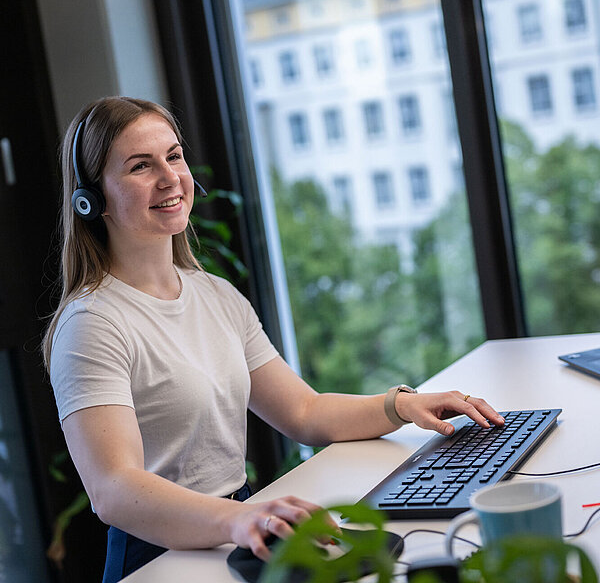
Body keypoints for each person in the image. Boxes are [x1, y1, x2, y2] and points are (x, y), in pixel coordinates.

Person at [43, 96, 504, 582]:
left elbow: (303, 412)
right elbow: (113, 489)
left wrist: (402, 406)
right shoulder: (92, 323)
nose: (169, 178)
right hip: (158, 555)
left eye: (174, 156)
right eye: (141, 166)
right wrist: (236, 519)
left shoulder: (214, 294)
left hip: (235, 529)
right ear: (92, 199)